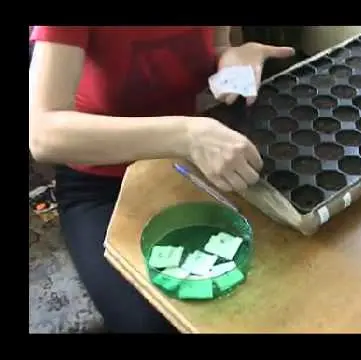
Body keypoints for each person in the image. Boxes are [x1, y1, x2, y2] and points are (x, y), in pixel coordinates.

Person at [29, 26, 294, 333]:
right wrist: (186, 135)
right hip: (102, 186)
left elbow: (217, 48)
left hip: (185, 167)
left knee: (276, 279)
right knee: (149, 322)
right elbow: (43, 134)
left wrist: (234, 56)